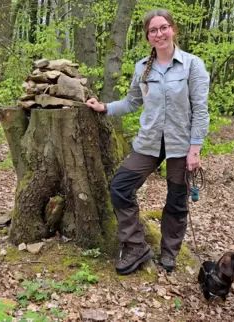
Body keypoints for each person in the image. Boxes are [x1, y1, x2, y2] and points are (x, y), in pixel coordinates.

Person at [86, 8, 210, 275]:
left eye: (163, 27)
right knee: (120, 187)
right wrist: (105, 107)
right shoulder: (143, 68)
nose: (159, 34)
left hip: (181, 145)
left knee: (177, 200)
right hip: (149, 141)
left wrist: (195, 149)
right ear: (148, 36)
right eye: (153, 30)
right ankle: (135, 246)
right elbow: (132, 102)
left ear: (173, 29)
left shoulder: (192, 65)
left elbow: (200, 109)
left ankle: (169, 251)